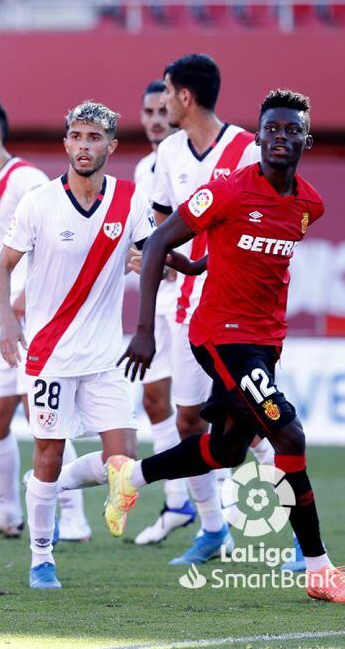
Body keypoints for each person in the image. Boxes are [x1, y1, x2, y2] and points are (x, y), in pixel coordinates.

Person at [110, 90, 345, 604]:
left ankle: (130, 475)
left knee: (227, 449)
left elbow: (242, 253)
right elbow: (159, 240)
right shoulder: (226, 191)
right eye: (271, 129)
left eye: (291, 131)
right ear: (258, 138)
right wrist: (145, 331)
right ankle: (318, 568)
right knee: (288, 433)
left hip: (266, 341)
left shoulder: (308, 205)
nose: (280, 138)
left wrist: (206, 264)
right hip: (220, 336)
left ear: (306, 141)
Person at [0, 101, 205, 590]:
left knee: (124, 464)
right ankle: (41, 558)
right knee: (49, 454)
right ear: (66, 143)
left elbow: (155, 258)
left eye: (94, 138)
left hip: (107, 356)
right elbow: (3, 268)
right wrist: (6, 321)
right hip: (49, 354)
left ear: (111, 146)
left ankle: (43, 491)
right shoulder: (39, 202)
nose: (84, 146)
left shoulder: (131, 199)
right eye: (77, 137)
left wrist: (151, 264)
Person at [0, 97, 93, 542]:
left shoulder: (26, 180)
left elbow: (62, 240)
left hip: (33, 322)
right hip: (4, 321)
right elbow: (5, 258)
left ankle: (73, 517)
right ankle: (8, 511)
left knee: (43, 418)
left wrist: (28, 299)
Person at [148, 53, 266, 565]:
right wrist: (162, 259)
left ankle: (309, 543)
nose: (164, 102)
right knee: (188, 421)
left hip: (238, 312)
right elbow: (161, 221)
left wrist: (202, 262)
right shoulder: (170, 152)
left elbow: (265, 223)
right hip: (187, 312)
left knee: (259, 420)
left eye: (169, 93)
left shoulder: (246, 150)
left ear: (186, 97)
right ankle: (214, 529)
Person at [129, 81, 197, 545]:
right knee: (155, 400)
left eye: (161, 108)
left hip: (198, 292)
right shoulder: (143, 166)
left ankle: (222, 511)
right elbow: (148, 234)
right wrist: (143, 257)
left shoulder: (193, 156)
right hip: (162, 297)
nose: (155, 117)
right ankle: (178, 503)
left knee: (213, 412)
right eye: (148, 110)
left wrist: (174, 260)